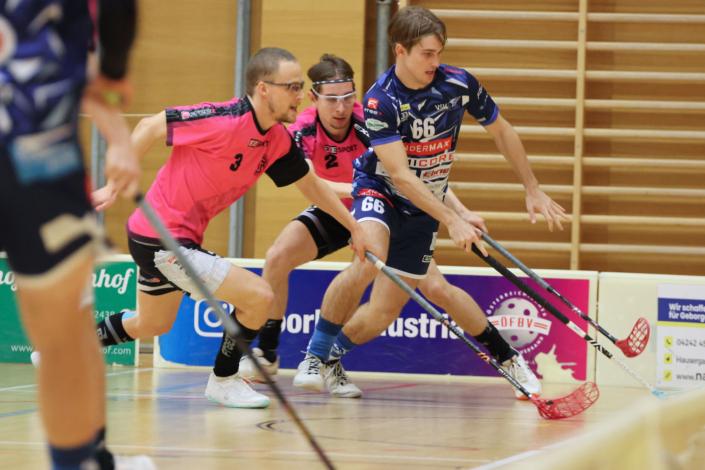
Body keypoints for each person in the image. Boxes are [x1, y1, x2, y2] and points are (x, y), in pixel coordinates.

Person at [292, 6, 568, 401]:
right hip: (382, 191)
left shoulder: (459, 83)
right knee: (368, 258)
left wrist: (532, 187)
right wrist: (452, 220)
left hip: (424, 206)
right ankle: (315, 355)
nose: (435, 62)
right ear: (400, 50)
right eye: (427, 54)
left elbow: (502, 131)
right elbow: (402, 176)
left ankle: (334, 356)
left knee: (384, 312)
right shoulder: (381, 100)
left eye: (439, 53)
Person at [90, 47, 369, 410]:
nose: (300, 96)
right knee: (259, 296)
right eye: (292, 87)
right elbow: (149, 127)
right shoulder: (222, 119)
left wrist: (354, 227)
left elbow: (311, 185)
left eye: (300, 87)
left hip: (168, 237)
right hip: (162, 237)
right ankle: (224, 379)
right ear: (263, 88)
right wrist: (113, 185)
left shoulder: (277, 140)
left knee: (151, 324)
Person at [240, 54, 527, 402]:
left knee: (431, 290)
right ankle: (268, 351)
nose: (341, 108)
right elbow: (310, 182)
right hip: (336, 209)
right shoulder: (301, 129)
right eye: (332, 100)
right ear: (314, 98)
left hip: (389, 211)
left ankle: (331, 358)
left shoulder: (371, 118)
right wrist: (358, 190)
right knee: (278, 256)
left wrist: (461, 213)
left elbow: (420, 175)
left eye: (348, 97)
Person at [0, 0, 154, 468]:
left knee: (72, 328)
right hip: (35, 152)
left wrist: (119, 136)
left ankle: (93, 458)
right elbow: (114, 21)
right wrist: (114, 84)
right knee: (62, 338)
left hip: (34, 151)